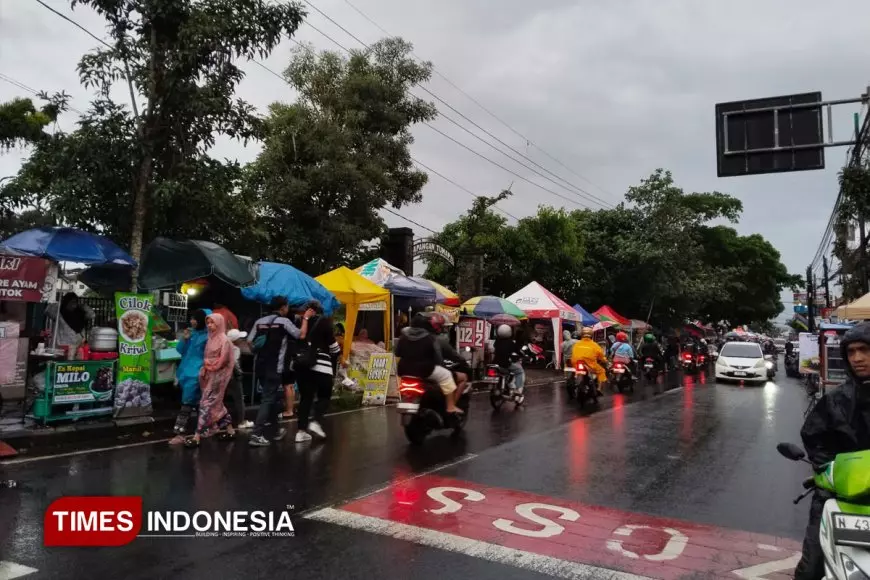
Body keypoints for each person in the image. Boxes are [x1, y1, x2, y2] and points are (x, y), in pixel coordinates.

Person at [794, 322, 870, 580]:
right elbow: (815, 439)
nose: (858, 358)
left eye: (864, 350)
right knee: (811, 568)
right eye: (852, 352)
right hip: (838, 496)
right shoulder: (835, 400)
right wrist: (829, 471)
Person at [247, 297, 310, 447]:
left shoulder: (259, 321)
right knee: (268, 399)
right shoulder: (284, 322)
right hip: (275, 367)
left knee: (273, 398)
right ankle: (257, 434)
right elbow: (301, 335)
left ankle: (275, 431)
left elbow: (249, 341)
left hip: (260, 367)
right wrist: (306, 318)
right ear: (283, 308)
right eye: (287, 307)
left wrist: (257, 352)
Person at [185, 313, 236, 448]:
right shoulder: (210, 339)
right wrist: (206, 366)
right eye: (208, 323)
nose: (210, 326)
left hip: (218, 377)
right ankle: (230, 430)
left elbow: (223, 361)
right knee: (216, 403)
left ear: (219, 324)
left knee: (205, 403)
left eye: (212, 323)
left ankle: (197, 435)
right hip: (210, 375)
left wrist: (207, 364)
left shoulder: (224, 340)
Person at [395, 312, 462, 414]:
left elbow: (397, 352)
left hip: (403, 369)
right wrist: (441, 366)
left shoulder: (403, 337)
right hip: (425, 370)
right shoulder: (430, 338)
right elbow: (438, 358)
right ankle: (450, 406)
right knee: (447, 376)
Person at [294, 300, 341, 442]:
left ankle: (301, 432)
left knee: (305, 398)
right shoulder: (324, 322)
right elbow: (334, 348)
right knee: (325, 395)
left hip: (302, 365)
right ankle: (315, 421)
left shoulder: (300, 322)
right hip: (322, 366)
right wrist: (335, 352)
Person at [170, 308, 211, 444]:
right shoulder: (192, 334)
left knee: (187, 403)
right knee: (199, 403)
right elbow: (180, 350)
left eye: (195, 319)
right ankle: (202, 430)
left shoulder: (209, 337)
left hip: (199, 373)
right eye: (192, 318)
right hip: (186, 372)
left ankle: (180, 433)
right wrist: (184, 339)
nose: (192, 321)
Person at [571, 327, 608, 393]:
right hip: (589, 364)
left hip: (575, 363)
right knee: (602, 371)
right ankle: (599, 389)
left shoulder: (577, 344)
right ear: (591, 335)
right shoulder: (595, 345)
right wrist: (605, 360)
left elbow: (572, 353)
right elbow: (601, 356)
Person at [224, 329, 247, 429]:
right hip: (232, 377)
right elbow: (234, 363)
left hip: (222, 377)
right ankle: (241, 421)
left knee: (222, 400)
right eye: (239, 338)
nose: (241, 340)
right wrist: (239, 375)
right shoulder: (235, 349)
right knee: (239, 399)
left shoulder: (223, 346)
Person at [493, 324, 525, 391]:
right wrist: (524, 355)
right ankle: (519, 390)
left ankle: (508, 384)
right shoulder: (510, 343)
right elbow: (517, 351)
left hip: (495, 363)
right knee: (519, 371)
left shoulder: (497, 342)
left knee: (506, 372)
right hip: (505, 364)